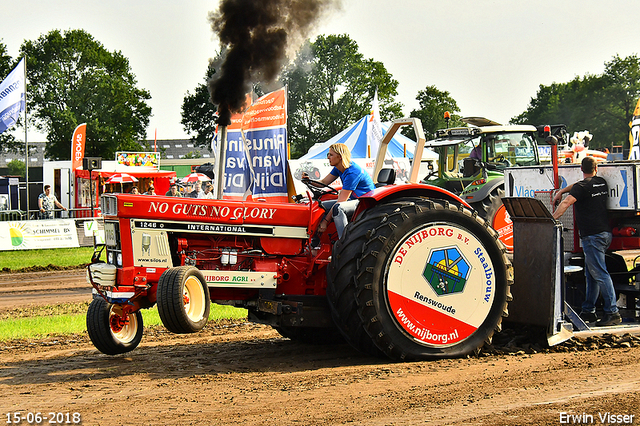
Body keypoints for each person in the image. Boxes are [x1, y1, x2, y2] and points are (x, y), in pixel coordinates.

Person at [552, 156, 621, 327]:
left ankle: (612, 312)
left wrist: (551, 219)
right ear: (595, 168)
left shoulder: (582, 187)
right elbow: (576, 187)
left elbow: (568, 202)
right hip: (605, 234)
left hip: (592, 236)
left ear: (581, 169)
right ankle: (588, 310)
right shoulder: (601, 182)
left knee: (599, 273)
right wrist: (562, 191)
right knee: (591, 274)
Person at [302, 143, 375, 239]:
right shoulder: (338, 168)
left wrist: (325, 221)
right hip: (353, 200)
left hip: (364, 203)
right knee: (319, 206)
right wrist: (309, 181)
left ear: (340, 157)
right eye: (328, 155)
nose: (328, 157)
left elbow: (341, 201)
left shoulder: (352, 172)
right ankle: (315, 242)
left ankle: (344, 242)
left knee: (338, 208)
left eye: (331, 155)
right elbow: (323, 182)